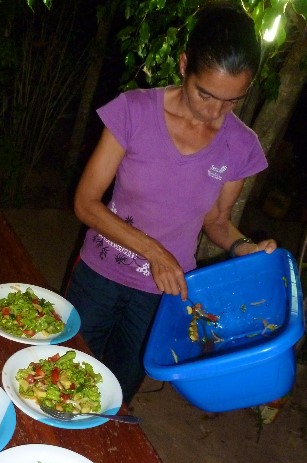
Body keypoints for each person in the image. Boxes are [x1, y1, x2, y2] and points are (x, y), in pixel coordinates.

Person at [65, 1, 278, 405]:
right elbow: (86, 203)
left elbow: (217, 221)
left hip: (163, 293)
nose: (216, 112)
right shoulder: (133, 112)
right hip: (100, 275)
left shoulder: (241, 145)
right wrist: (154, 251)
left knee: (117, 391)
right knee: (64, 368)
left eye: (234, 100)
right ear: (184, 66)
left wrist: (243, 247)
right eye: (206, 94)